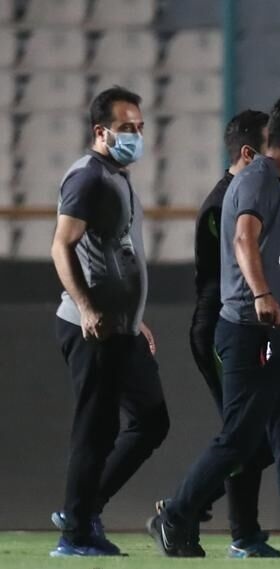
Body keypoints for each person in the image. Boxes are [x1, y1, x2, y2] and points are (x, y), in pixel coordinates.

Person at [148, 94, 280, 559]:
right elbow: (243, 239)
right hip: (251, 330)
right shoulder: (258, 180)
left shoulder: (277, 188)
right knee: (241, 439)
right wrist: (263, 294)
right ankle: (176, 516)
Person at [49, 86, 170, 557]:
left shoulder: (117, 177)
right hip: (93, 328)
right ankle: (75, 535)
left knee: (151, 421)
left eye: (139, 127)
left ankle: (81, 509)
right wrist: (86, 307)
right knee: (95, 431)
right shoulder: (87, 178)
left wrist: (133, 318)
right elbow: (62, 246)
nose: (136, 135)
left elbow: (116, 252)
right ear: (101, 131)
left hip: (121, 328)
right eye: (126, 128)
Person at [187, 109, 280, 558]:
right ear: (248, 153)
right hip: (223, 325)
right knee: (244, 435)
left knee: (257, 436)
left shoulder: (253, 194)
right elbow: (240, 265)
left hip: (249, 322)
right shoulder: (227, 201)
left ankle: (186, 507)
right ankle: (237, 532)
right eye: (271, 145)